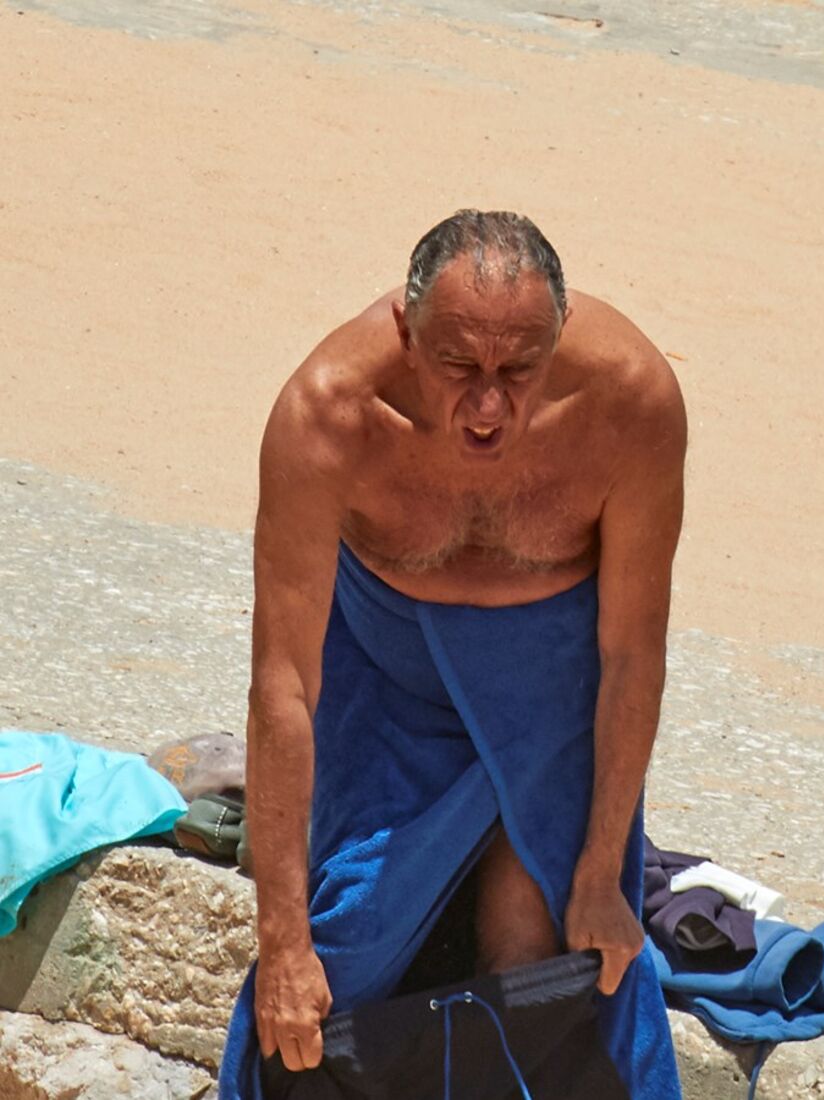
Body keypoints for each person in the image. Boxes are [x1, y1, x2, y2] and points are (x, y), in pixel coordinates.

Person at [219, 210, 687, 1099]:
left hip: (551, 689)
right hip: (388, 685)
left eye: (519, 371)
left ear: (560, 336)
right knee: (335, 972)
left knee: (544, 950)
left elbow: (632, 651)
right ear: (405, 327)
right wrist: (281, 940)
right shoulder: (327, 413)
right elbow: (283, 684)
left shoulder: (630, 402)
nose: (487, 406)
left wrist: (599, 874)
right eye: (457, 367)